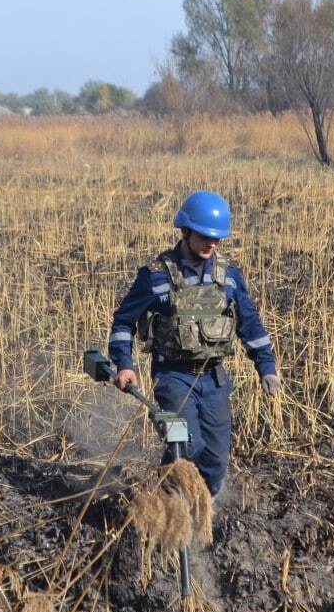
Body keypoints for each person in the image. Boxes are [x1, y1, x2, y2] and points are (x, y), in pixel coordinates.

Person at [107, 191, 280, 497]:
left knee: (215, 463)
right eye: (203, 236)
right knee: (187, 445)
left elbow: (249, 323)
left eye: (217, 238)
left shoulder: (228, 278)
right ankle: (166, 510)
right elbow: (123, 322)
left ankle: (197, 510)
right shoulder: (156, 277)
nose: (210, 244)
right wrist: (125, 365)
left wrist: (266, 366)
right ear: (185, 231)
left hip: (213, 381)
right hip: (173, 378)